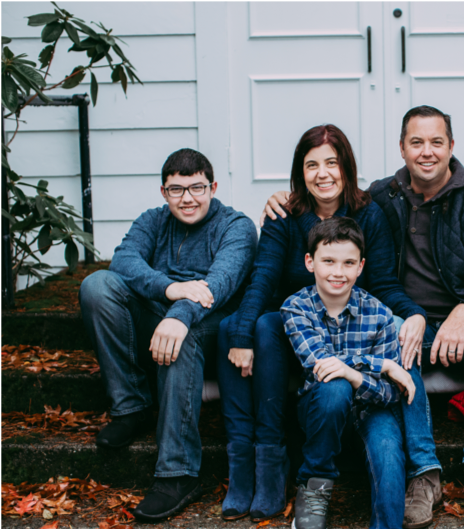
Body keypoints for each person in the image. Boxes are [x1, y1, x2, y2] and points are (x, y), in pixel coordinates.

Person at [263, 106, 464, 527]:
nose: (426, 151)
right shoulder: (384, 196)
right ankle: (424, 473)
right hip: (405, 322)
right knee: (401, 332)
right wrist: (288, 198)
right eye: (416, 142)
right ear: (401, 148)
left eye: (436, 142)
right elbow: (334, 195)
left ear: (451, 147)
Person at [216, 125, 427, 521]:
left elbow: (381, 282)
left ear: (346, 167)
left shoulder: (368, 214)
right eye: (312, 164)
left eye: (331, 162)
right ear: (301, 172)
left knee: (396, 325)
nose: (323, 173)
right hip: (296, 323)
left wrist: (413, 312)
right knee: (240, 328)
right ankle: (257, 465)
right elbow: (263, 276)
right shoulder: (286, 212)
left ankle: (421, 462)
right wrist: (243, 335)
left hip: (347, 328)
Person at [79, 148, 258, 521]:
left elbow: (220, 283)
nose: (188, 198)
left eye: (197, 187)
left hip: (211, 327)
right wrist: (169, 290)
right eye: (177, 190)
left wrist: (179, 315)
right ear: (163, 192)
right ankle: (132, 406)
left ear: (213, 187)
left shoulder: (235, 226)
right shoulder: (153, 221)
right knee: (98, 285)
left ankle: (178, 473)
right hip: (158, 316)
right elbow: (123, 262)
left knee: (184, 337)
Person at [281, 217, 415, 529]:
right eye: (328, 261)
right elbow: (319, 365)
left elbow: (390, 393)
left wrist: (356, 374)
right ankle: (315, 484)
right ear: (310, 262)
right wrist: (381, 365)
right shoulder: (296, 307)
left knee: (389, 453)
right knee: (335, 387)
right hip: (319, 409)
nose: (338, 272)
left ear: (360, 266)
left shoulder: (380, 313)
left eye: (348, 263)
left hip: (370, 410)